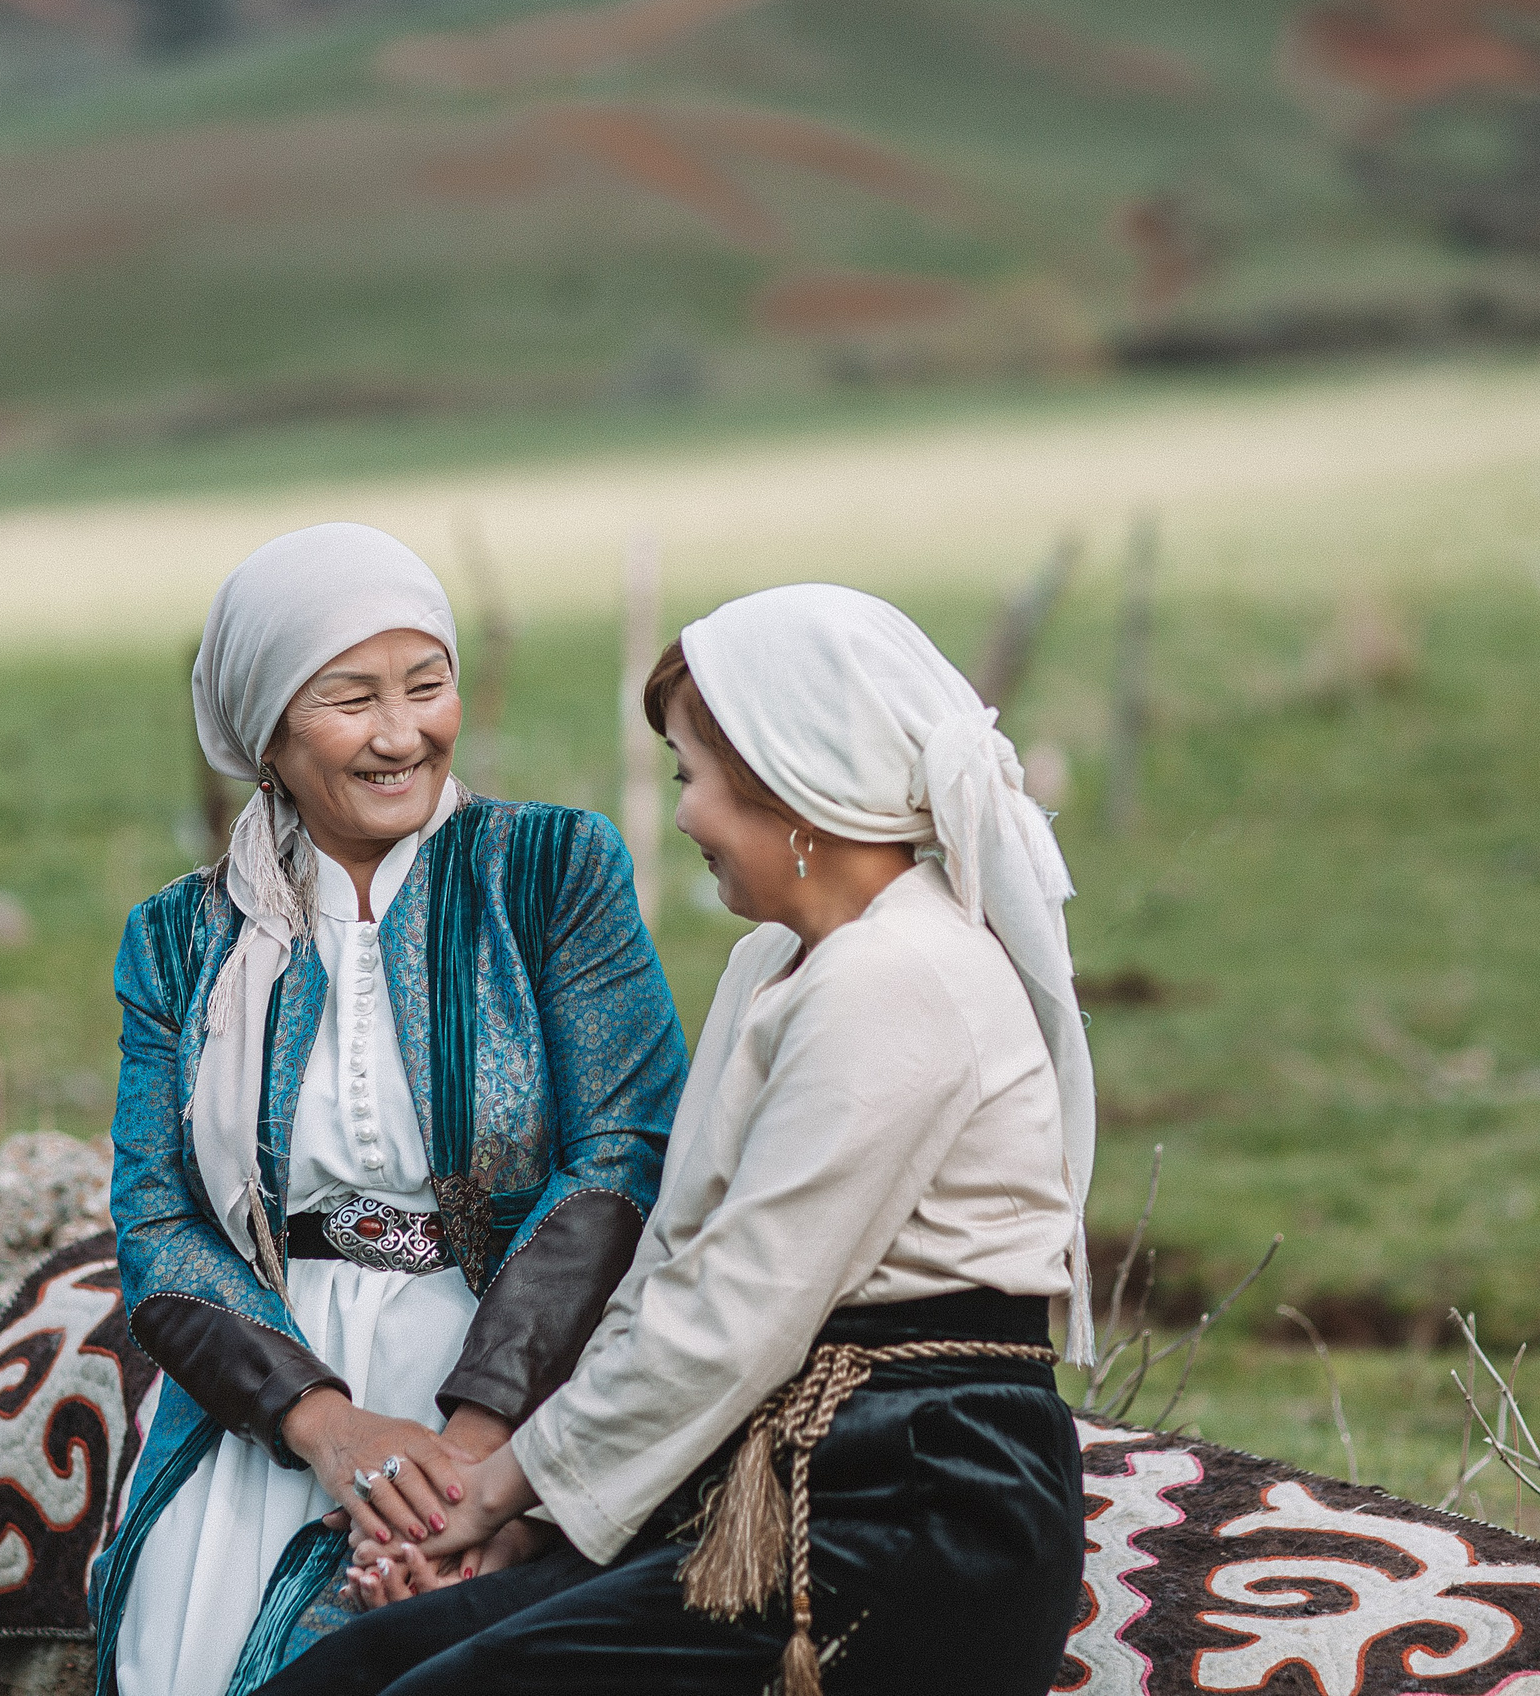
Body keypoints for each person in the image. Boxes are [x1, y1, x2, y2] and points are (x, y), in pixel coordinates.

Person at [259, 582, 1097, 1696]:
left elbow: (737, 1308)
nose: (687, 814)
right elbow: (672, 1266)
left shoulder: (899, 977)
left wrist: (500, 1490)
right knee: (349, 1670)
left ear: (790, 788)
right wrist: (525, 1523)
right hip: (774, 1473)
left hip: (913, 1500)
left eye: (691, 778)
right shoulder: (773, 967)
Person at [89, 523, 686, 1696]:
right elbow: (159, 1224)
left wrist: (467, 1454)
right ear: (266, 726)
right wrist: (328, 1430)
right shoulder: (177, 939)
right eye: (350, 699)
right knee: (186, 1651)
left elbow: (623, 1152)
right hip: (274, 1393)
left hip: (517, 1371)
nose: (402, 733)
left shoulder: (550, 869)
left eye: (429, 685)